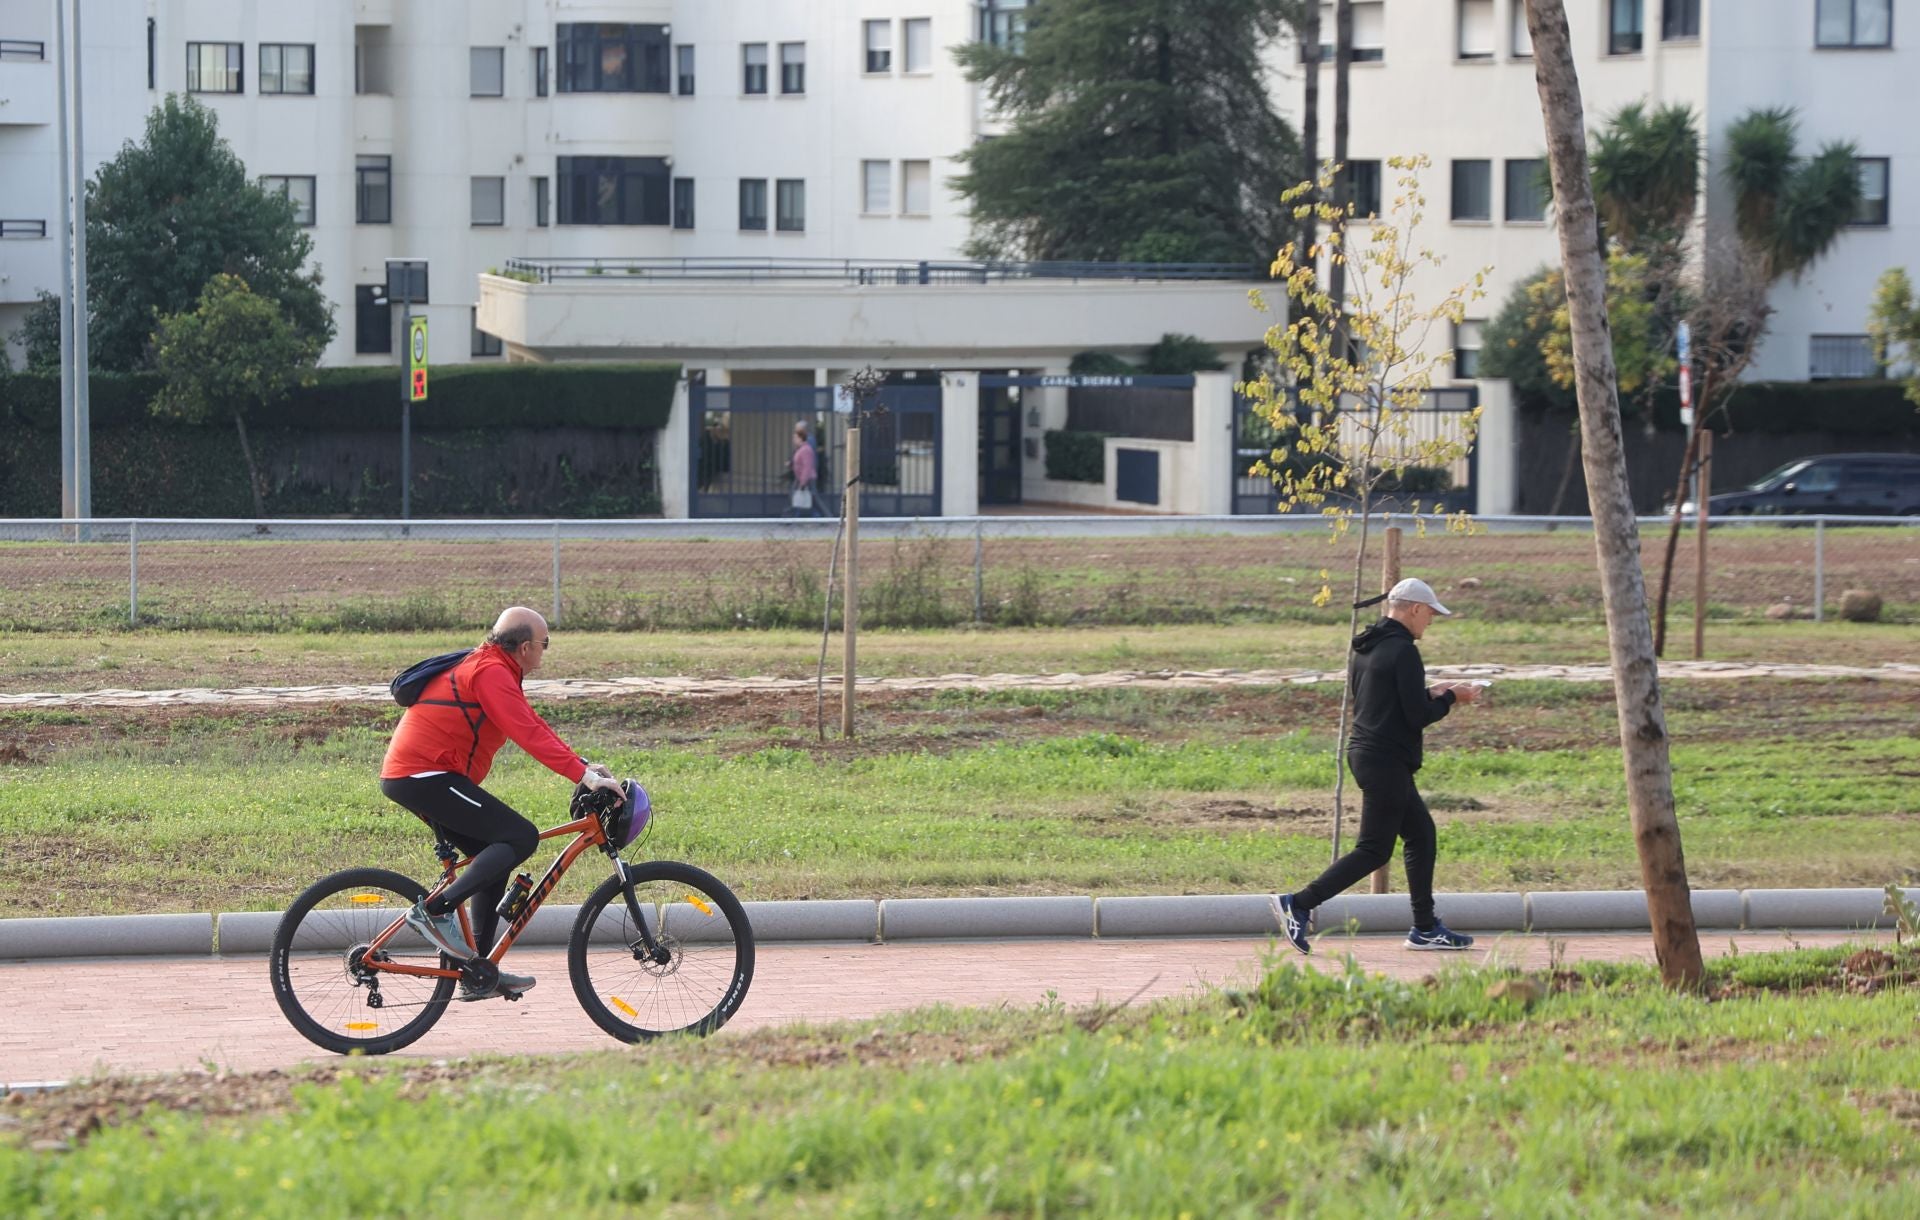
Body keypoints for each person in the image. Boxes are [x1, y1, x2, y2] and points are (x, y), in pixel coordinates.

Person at [380, 606, 623, 998]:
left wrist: (583, 766)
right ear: (525, 647)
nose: (546, 650)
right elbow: (526, 733)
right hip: (424, 775)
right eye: (545, 644)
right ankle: (434, 910)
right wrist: (584, 777)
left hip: (427, 775)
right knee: (520, 838)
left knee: (492, 862)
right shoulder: (490, 672)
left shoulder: (495, 667)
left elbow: (531, 722)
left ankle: (478, 970)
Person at [1272, 577, 1483, 954]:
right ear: (1415, 609)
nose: (1431, 622)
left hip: (1369, 753)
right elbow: (1416, 717)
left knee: (1421, 835)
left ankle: (1425, 926)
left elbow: (1385, 701)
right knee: (1373, 850)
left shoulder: (1368, 647)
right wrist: (1453, 697)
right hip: (1385, 760)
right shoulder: (1403, 651)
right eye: (1431, 613)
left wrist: (1431, 692)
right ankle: (1299, 904)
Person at [788, 421, 825, 517]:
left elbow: (808, 461)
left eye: (797, 429)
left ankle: (826, 517)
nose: (795, 431)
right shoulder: (802, 441)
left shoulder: (808, 441)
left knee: (812, 498)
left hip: (806, 475)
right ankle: (793, 517)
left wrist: (804, 479)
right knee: (798, 496)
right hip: (801, 475)